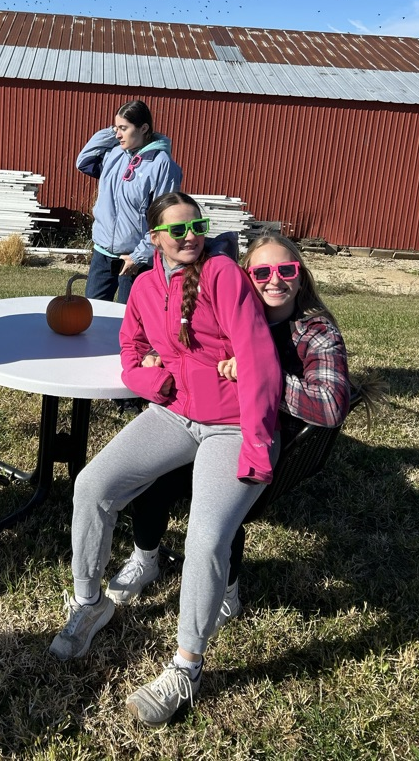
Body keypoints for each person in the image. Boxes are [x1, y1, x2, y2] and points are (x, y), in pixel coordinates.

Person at [48, 192, 283, 727]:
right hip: (175, 414)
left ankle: (186, 666)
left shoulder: (222, 273)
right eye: (176, 230)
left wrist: (257, 441)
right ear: (154, 238)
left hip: (232, 425)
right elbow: (130, 353)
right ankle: (89, 604)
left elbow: (257, 358)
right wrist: (157, 379)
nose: (189, 236)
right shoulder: (144, 288)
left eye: (196, 225)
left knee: (204, 536)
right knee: (92, 485)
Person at [106, 232, 352, 630]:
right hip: (208, 420)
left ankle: (228, 591)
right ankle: (145, 557)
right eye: (262, 271)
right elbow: (184, 349)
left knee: (220, 504)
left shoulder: (314, 332)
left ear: (301, 277)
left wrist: (262, 375)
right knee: (152, 474)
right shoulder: (223, 311)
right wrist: (157, 357)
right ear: (245, 276)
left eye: (287, 269)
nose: (275, 280)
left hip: (268, 441)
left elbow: (330, 406)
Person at [76, 100, 181, 304]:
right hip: (103, 253)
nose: (117, 135)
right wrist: (112, 129)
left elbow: (165, 218)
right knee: (93, 315)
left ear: (143, 128)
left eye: (123, 129)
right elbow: (83, 161)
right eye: (116, 128)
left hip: (135, 258)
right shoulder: (114, 154)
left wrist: (140, 256)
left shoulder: (162, 165)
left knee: (129, 321)